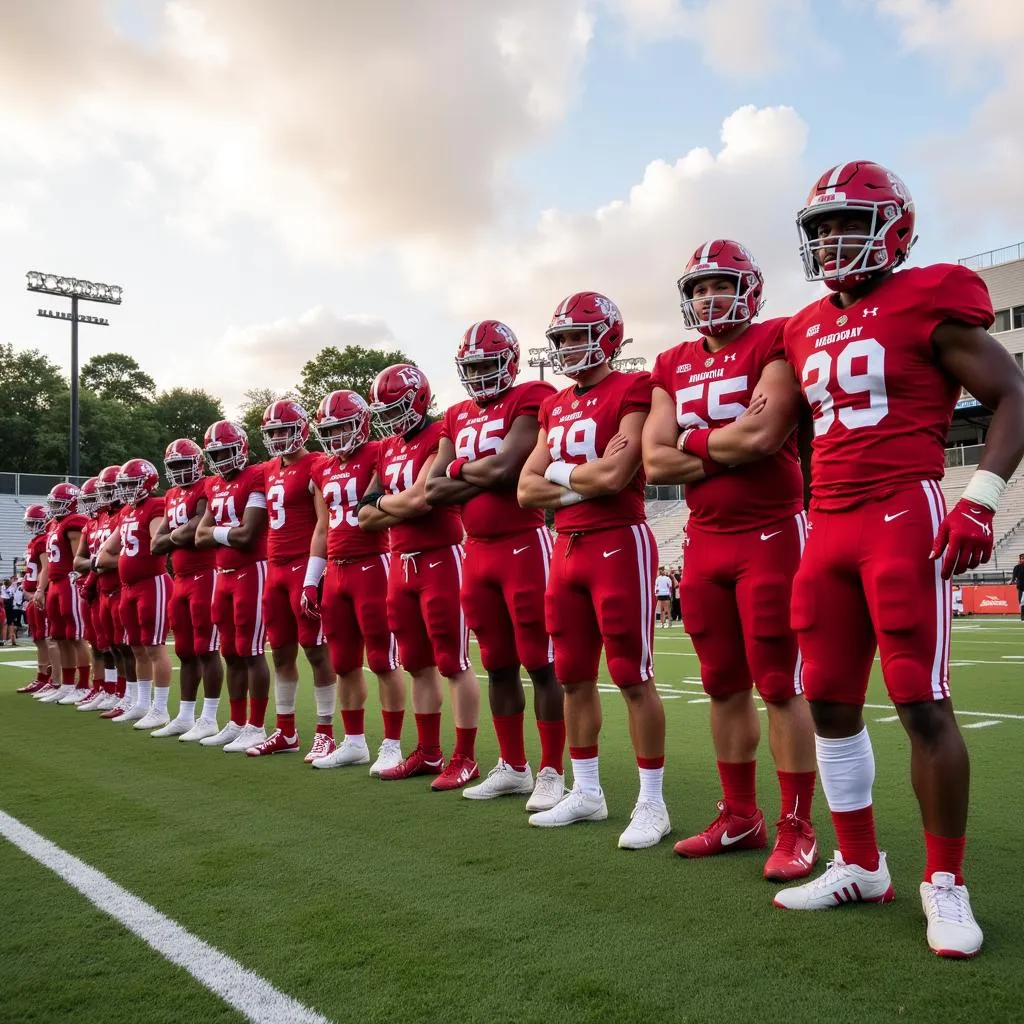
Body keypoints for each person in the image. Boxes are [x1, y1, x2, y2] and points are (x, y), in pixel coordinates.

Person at [772, 161, 1024, 961]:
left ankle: (944, 883)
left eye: (848, 224)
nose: (834, 241)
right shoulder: (802, 325)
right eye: (821, 230)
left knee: (921, 701)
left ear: (895, 226)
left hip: (900, 512)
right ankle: (859, 863)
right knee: (831, 704)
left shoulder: (928, 298)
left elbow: (1014, 393)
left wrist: (979, 496)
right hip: (827, 522)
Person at [643, 238, 819, 881]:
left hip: (772, 531)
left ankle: (796, 824)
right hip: (705, 538)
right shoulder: (671, 361)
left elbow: (766, 434)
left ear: (750, 289)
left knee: (779, 683)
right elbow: (655, 459)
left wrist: (695, 441)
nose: (709, 298)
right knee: (722, 683)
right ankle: (739, 814)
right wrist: (722, 442)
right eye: (698, 289)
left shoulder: (775, 338)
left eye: (721, 285)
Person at [517, 290, 669, 850]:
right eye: (560, 339)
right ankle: (586, 791)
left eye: (578, 336)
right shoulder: (553, 406)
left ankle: (652, 803)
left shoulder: (632, 387)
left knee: (631, 674)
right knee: (572, 675)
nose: (568, 348)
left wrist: (559, 474)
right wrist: (576, 472)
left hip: (617, 542)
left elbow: (616, 476)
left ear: (607, 336)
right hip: (567, 547)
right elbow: (524, 488)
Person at [425, 320, 566, 810]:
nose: (481, 375)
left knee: (541, 662)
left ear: (509, 361)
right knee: (497, 664)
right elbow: (432, 487)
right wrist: (478, 475)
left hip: (524, 544)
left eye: (488, 364)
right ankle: (513, 766)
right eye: (474, 366)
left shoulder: (532, 395)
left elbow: (510, 468)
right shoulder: (455, 414)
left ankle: (551, 771)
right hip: (476, 550)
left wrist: (462, 472)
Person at [358, 363, 480, 790]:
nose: (391, 416)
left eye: (397, 406)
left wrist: (387, 503)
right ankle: (429, 752)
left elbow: (422, 502)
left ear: (419, 399)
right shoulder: (385, 447)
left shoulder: (438, 433)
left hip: (440, 557)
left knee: (453, 662)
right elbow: (364, 515)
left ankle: (466, 757)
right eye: (385, 409)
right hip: (401, 562)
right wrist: (396, 502)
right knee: (415, 663)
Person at [302, 390, 406, 775]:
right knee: (343, 661)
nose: (337, 434)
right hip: (336, 570)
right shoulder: (322, 467)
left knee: (382, 658)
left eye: (344, 425)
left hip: (372, 563)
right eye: (330, 428)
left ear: (361, 422)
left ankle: (392, 744)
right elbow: (322, 527)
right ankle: (354, 741)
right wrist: (311, 580)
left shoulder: (378, 452)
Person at [244, 401, 337, 760]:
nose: (279, 438)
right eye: (273, 432)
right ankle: (285, 731)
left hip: (302, 564)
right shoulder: (266, 470)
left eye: (284, 430)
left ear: (299, 429)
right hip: (274, 568)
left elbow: (323, 523)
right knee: (280, 650)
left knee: (315, 649)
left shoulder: (315, 464)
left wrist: (315, 575)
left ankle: (325, 733)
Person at [194, 421, 271, 751]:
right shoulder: (213, 486)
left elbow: (248, 534)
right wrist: (226, 532)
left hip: (251, 570)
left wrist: (217, 533)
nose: (222, 459)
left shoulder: (254, 477)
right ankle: (237, 721)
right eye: (216, 453)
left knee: (252, 651)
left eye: (226, 451)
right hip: (223, 574)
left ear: (240, 448)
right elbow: (199, 536)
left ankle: (257, 725)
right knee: (229, 651)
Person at [151, 438, 224, 740]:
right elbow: (157, 543)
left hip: (205, 574)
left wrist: (176, 535)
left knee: (206, 648)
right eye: (175, 465)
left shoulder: (206, 486)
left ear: (198, 463)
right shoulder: (171, 496)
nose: (180, 471)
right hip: (180, 578)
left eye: (184, 463)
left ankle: (209, 717)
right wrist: (178, 535)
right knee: (184, 650)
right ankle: (184, 714)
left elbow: (197, 528)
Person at [95, 460, 174, 730]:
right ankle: (141, 703)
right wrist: (123, 557)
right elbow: (106, 550)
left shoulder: (155, 506)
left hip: (151, 583)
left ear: (147, 483)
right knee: (136, 648)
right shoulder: (128, 511)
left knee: (153, 647)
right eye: (124, 485)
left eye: (131, 483)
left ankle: (160, 708)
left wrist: (127, 556)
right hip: (129, 587)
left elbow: (156, 544)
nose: (127, 490)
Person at [31, 483, 91, 704]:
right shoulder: (55, 525)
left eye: (58, 502)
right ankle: (67, 684)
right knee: (60, 636)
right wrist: (40, 588)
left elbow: (78, 557)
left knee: (76, 636)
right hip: (55, 583)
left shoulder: (74, 522)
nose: (54, 507)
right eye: (53, 503)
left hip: (69, 580)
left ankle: (84, 684)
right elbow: (47, 565)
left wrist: (79, 579)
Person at [17, 504, 55, 695]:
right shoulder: (34, 541)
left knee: (47, 638)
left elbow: (46, 568)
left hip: (41, 596)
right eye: (30, 523)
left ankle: (50, 677)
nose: (32, 526)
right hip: (32, 596)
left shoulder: (44, 541)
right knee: (39, 638)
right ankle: (42, 676)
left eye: (35, 522)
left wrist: (39, 590)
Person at [1012, 554, 1024, 621]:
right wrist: (1012, 581)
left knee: (1022, 602)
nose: (1022, 560)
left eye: (1023, 558)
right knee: (1021, 602)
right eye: (1021, 558)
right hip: (1020, 587)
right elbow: (1014, 576)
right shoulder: (1017, 567)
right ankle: (1022, 617)